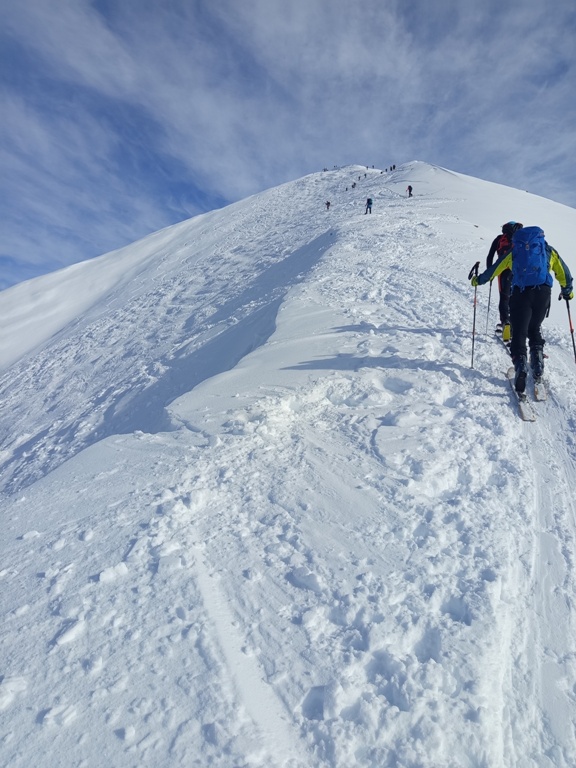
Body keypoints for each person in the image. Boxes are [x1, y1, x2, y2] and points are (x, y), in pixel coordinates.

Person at [471, 226, 573, 392]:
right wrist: (567, 291)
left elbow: (494, 269)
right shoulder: (547, 250)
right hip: (543, 294)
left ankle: (521, 367)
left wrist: (478, 280)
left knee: (519, 333)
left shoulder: (514, 252)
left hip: (520, 294)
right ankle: (537, 364)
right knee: (534, 329)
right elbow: (564, 273)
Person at [486, 221, 523, 341]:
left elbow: (490, 256)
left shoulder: (499, 239)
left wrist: (490, 273)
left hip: (503, 271)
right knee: (517, 298)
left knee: (504, 298)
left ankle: (506, 322)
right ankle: (516, 324)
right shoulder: (521, 239)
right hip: (519, 272)